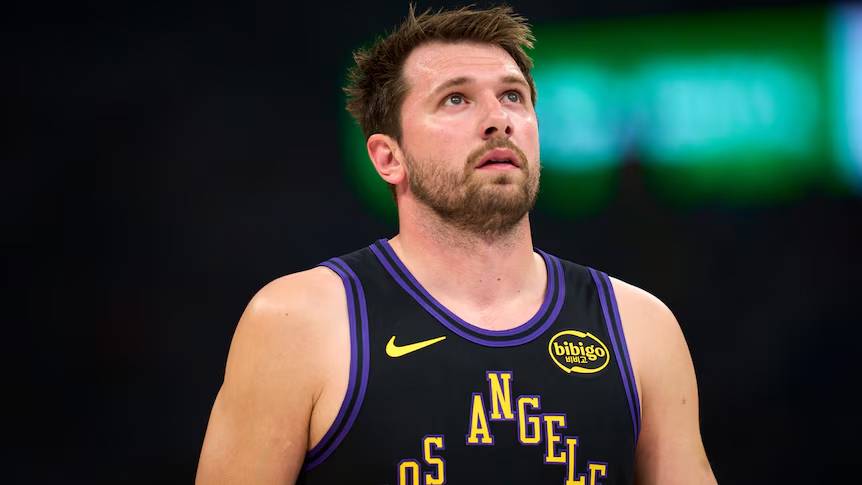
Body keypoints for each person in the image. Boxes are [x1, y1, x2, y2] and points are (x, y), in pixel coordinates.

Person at [195, 4, 717, 484]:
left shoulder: (640, 326)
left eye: (512, 96)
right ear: (388, 158)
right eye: (456, 99)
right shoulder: (296, 323)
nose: (498, 119)